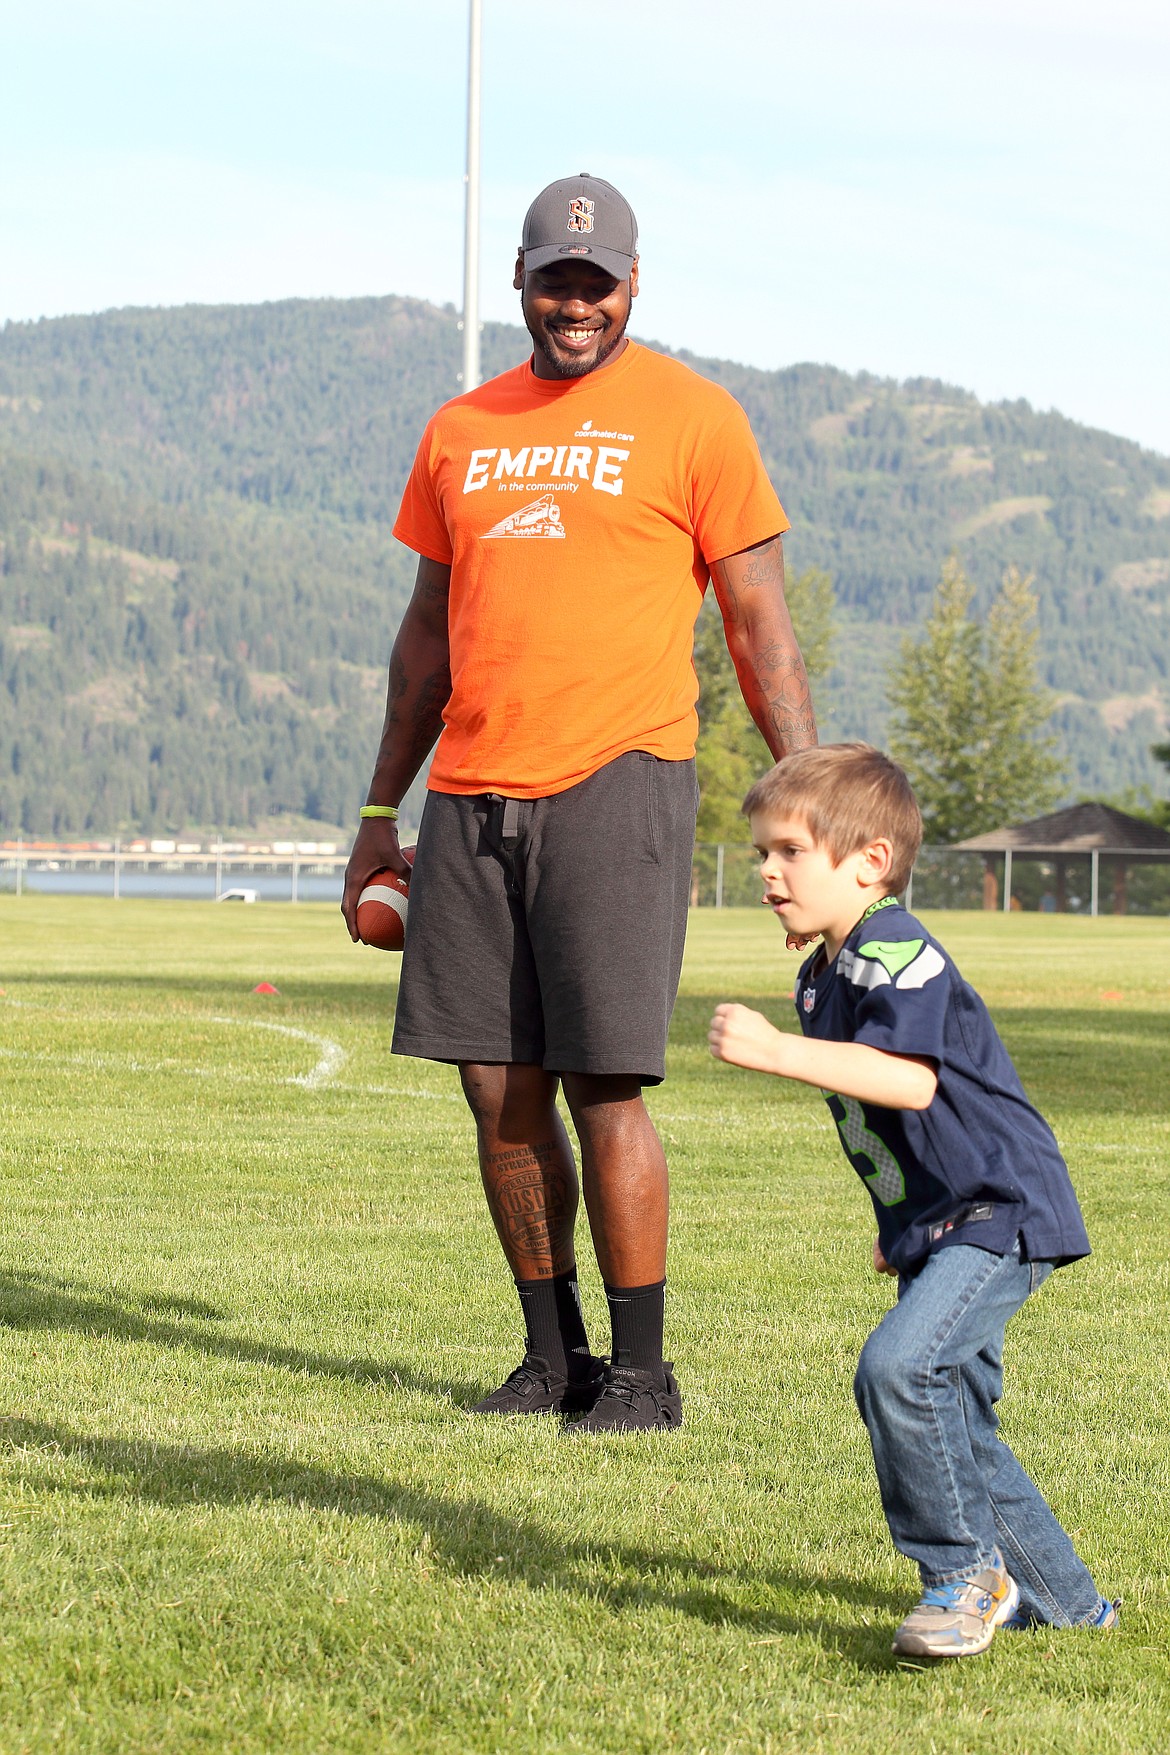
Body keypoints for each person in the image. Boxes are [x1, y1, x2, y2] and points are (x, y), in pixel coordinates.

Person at [342, 172, 816, 1432]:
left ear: (633, 287)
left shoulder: (697, 418)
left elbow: (759, 620)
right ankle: (555, 1360)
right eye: (556, 279)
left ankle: (646, 1375)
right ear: (520, 279)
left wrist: (811, 793)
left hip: (621, 782)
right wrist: (381, 808)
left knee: (607, 1085)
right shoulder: (458, 429)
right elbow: (425, 634)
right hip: (472, 795)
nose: (576, 304)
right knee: (498, 1091)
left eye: (597, 286)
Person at [708, 744, 1118, 1655]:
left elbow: (910, 1083)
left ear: (869, 863)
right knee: (961, 1427)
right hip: (948, 1222)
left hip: (1001, 1208)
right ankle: (1076, 1609)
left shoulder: (896, 950)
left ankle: (962, 1577)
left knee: (899, 1370)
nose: (768, 871)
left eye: (788, 851)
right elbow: (888, 1132)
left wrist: (778, 1049)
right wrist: (904, 1226)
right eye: (760, 854)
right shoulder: (831, 967)